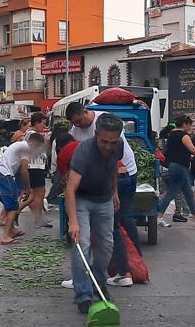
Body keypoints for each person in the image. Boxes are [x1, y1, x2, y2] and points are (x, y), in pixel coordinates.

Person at [65, 103, 142, 281]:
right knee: (98, 232)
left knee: (114, 228)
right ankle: (94, 275)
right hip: (95, 183)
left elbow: (114, 162)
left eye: (79, 121)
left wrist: (114, 191)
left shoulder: (107, 123)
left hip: (122, 177)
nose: (77, 125)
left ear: (86, 112)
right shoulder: (77, 135)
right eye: (74, 123)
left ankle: (123, 271)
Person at [65, 113, 124, 314]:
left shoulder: (118, 146)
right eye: (104, 141)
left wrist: (114, 191)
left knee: (107, 245)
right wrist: (73, 222)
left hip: (104, 198)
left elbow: (113, 167)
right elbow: (70, 189)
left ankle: (98, 282)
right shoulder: (84, 151)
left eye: (113, 142)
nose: (108, 146)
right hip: (81, 198)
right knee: (82, 244)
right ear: (96, 133)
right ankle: (83, 294)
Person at [156, 115, 195, 227]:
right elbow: (193, 149)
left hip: (173, 166)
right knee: (172, 192)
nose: (191, 127)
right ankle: (159, 216)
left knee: (188, 192)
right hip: (180, 167)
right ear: (184, 124)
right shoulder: (184, 136)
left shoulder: (171, 134)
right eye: (189, 124)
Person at [0, 132, 46, 245]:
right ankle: (6, 236)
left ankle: (11, 230)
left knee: (10, 204)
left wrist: (21, 188)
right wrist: (28, 188)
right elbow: (24, 171)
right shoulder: (26, 148)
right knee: (13, 206)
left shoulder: (19, 145)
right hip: (4, 174)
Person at [18, 112, 51, 228]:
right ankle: (38, 218)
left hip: (33, 166)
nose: (44, 127)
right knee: (39, 193)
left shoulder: (28, 133)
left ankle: (36, 217)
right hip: (35, 166)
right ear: (36, 123)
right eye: (43, 124)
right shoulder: (32, 134)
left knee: (32, 194)